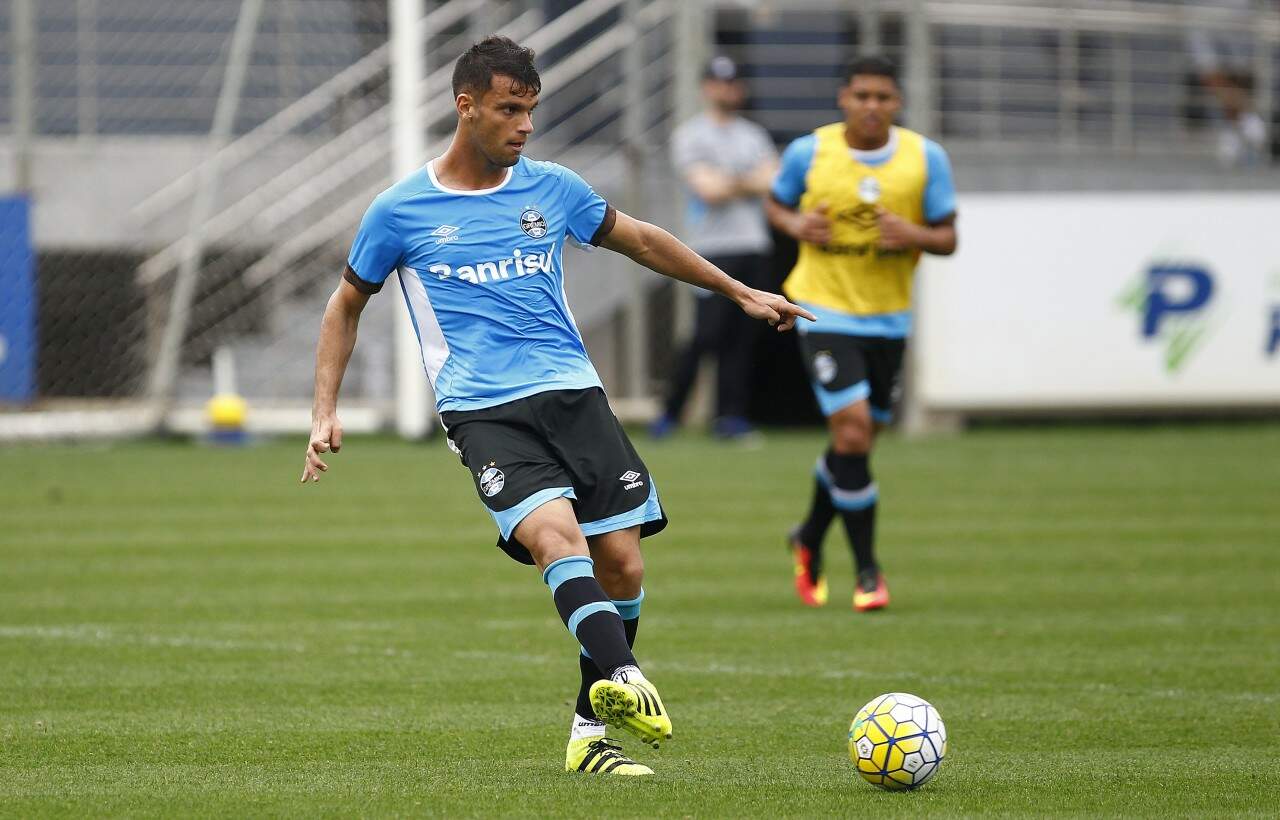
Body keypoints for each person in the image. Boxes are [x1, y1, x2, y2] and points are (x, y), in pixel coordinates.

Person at [301, 36, 813, 776]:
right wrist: (325, 411)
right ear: (465, 106)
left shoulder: (553, 188)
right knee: (554, 540)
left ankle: (588, 735)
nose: (524, 126)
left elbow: (641, 240)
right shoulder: (401, 209)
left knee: (624, 567)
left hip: (574, 393)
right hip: (483, 410)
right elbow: (343, 306)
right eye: (510, 110)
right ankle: (624, 676)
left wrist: (739, 291)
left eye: (531, 111)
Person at [764, 55, 957, 613]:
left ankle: (807, 536)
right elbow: (776, 203)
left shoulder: (925, 158)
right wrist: (797, 224)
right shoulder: (810, 151)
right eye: (862, 96)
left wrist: (914, 233)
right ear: (843, 98)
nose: (872, 106)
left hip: (889, 317)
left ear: (897, 103)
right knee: (851, 435)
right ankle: (869, 571)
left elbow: (947, 238)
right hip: (823, 310)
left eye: (883, 97)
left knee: (857, 443)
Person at [649, 55, 779, 441]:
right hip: (710, 248)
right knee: (706, 335)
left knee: (742, 337)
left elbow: (773, 180)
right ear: (707, 87)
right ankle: (671, 412)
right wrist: (747, 180)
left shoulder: (753, 134)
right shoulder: (692, 135)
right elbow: (708, 189)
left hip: (753, 244)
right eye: (720, 82)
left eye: (733, 82)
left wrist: (731, 182)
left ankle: (730, 417)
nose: (727, 89)